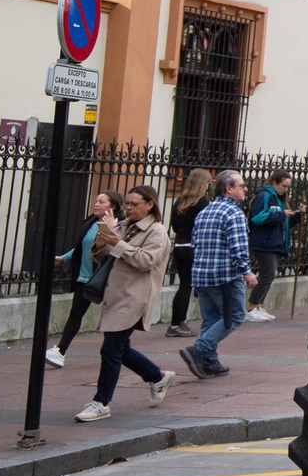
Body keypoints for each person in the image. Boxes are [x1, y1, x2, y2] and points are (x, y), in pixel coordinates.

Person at [73, 185, 175, 421]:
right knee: (119, 348)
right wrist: (100, 243)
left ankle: (101, 402)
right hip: (115, 294)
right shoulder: (125, 226)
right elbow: (104, 257)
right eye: (127, 204)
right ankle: (157, 376)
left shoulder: (156, 232)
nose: (129, 208)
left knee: (110, 349)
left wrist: (117, 242)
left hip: (134, 296)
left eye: (135, 204)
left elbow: (145, 261)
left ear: (150, 204)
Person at [181, 169, 256, 381]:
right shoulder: (233, 213)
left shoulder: (205, 211)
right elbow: (238, 247)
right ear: (228, 189)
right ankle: (198, 349)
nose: (245, 189)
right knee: (234, 316)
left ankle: (209, 362)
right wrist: (247, 272)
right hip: (224, 276)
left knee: (211, 318)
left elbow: (195, 242)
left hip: (201, 274)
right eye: (241, 186)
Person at [46, 191, 118, 368]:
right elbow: (83, 246)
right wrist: (64, 258)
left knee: (114, 318)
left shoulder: (120, 225)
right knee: (76, 313)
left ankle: (119, 351)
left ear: (113, 206)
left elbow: (114, 247)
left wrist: (110, 229)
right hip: (86, 277)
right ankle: (61, 352)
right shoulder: (91, 223)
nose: (96, 204)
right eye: (96, 201)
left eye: (101, 202)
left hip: (107, 279)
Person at [243, 169, 302, 323]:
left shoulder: (278, 199)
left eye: (288, 186)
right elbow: (257, 218)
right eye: (284, 186)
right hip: (263, 242)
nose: (286, 189)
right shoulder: (265, 195)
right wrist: (282, 214)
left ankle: (258, 305)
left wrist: (297, 216)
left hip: (274, 242)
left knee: (269, 274)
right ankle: (252, 307)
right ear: (274, 183)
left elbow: (284, 223)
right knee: (268, 274)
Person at [164, 169, 212, 337]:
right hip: (194, 247)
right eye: (207, 183)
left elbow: (175, 227)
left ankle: (177, 321)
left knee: (183, 285)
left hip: (179, 246)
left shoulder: (179, 202)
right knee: (187, 286)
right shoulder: (203, 204)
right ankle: (177, 324)